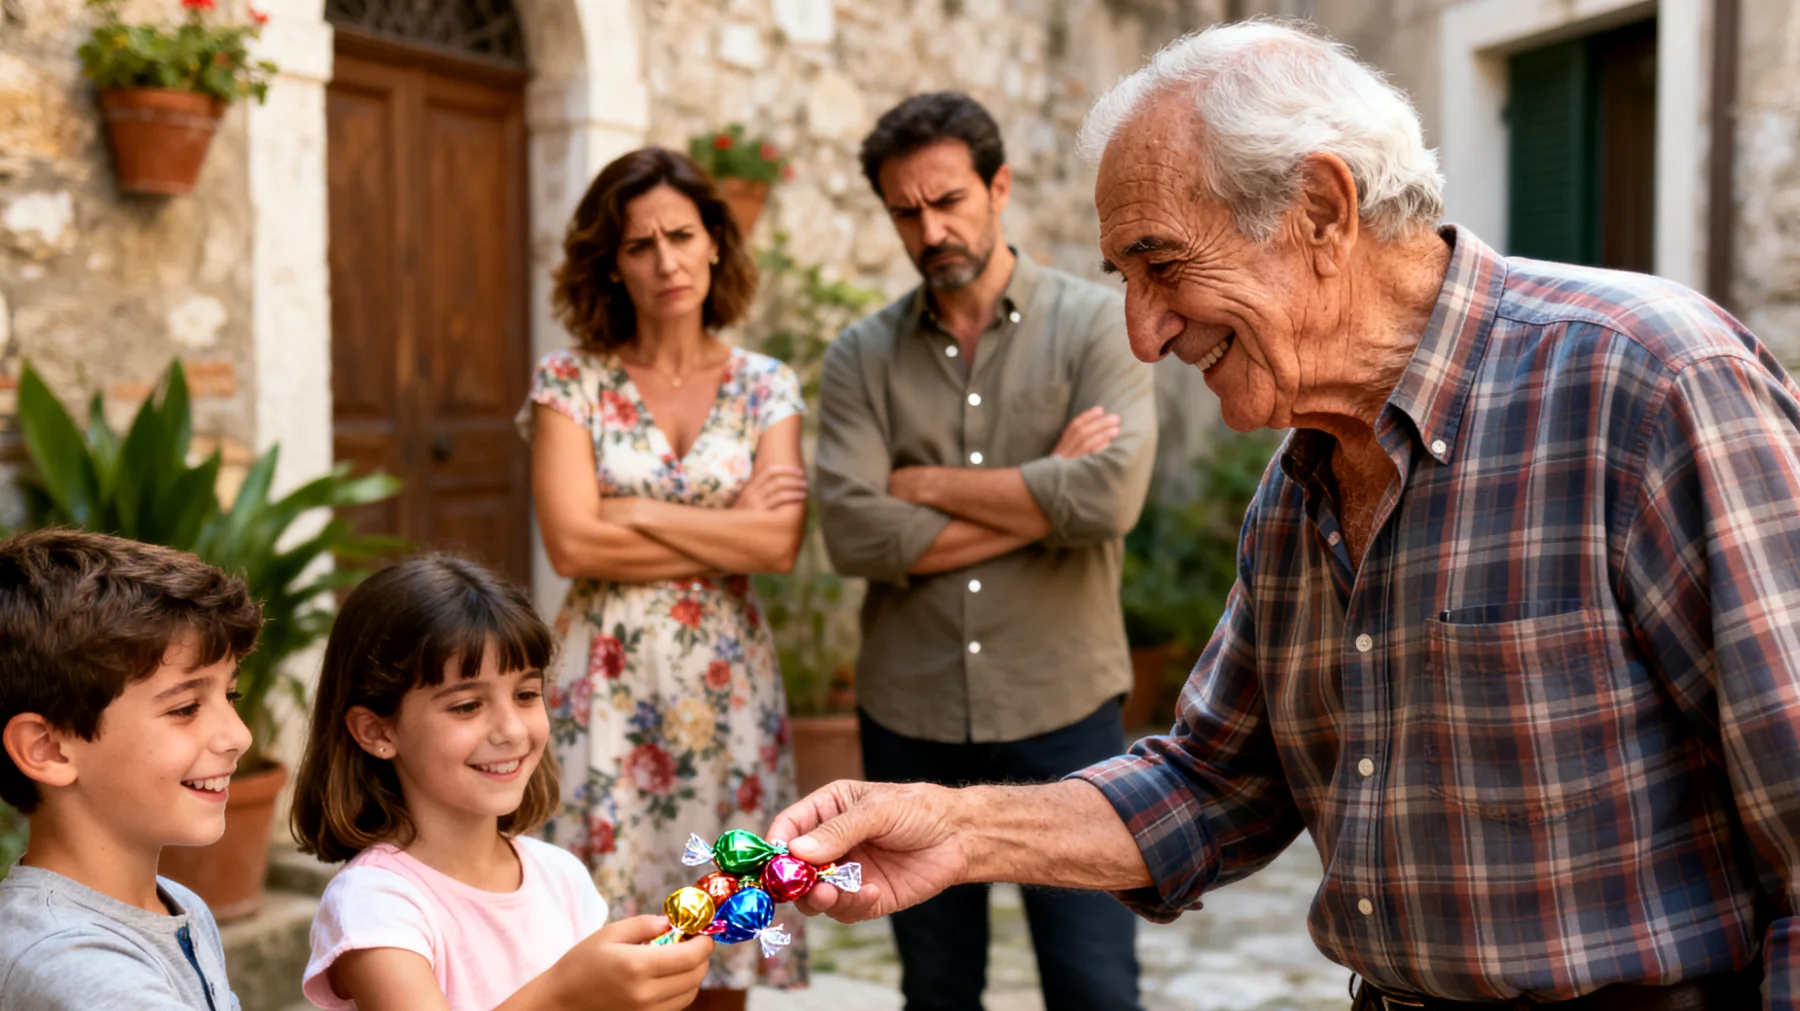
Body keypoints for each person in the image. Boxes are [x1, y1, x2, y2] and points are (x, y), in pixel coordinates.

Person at [775, 21, 1800, 1011]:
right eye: (1123, 279)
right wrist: (952, 828)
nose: (1143, 334)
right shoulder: (1298, 484)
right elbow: (1208, 785)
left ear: (1320, 209)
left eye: (1163, 265)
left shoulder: (1650, 384)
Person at [813, 91, 1157, 1011]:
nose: (930, 229)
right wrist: (1046, 493)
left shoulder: (1096, 324)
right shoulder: (859, 357)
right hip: (911, 711)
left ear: (998, 187)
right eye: (906, 211)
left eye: (948, 200)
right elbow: (853, 530)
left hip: (1064, 706)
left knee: (1094, 985)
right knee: (936, 988)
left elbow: (1108, 497)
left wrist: (923, 484)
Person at [520, 146, 809, 1009]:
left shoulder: (765, 386)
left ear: (715, 240)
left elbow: (778, 544)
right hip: (604, 690)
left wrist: (634, 508)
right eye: (639, 245)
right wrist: (729, 529)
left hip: (728, 694)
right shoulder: (570, 379)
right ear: (612, 262)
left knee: (723, 941)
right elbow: (573, 545)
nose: (666, 261)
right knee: (605, 944)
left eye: (681, 235)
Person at [291, 554, 712, 1011]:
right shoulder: (375, 904)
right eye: (467, 706)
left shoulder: (562, 877)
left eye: (526, 695)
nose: (511, 730)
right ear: (377, 731)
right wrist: (565, 993)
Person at [0, 529, 260, 1010]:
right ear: (48, 750)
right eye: (185, 708)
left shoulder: (178, 905)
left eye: (230, 695)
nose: (239, 736)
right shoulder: (70, 961)